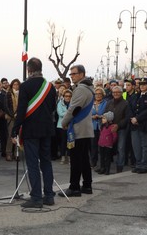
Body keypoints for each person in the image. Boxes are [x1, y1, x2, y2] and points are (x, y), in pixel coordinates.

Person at [11, 57, 56, 208]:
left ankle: (36, 197)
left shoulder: (25, 86)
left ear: (28, 70)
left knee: (32, 164)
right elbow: (52, 108)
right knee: (46, 162)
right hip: (47, 129)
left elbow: (22, 110)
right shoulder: (50, 86)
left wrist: (15, 129)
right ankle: (49, 196)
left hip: (31, 130)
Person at [58, 64, 94, 197]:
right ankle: (87, 185)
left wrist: (64, 122)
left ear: (82, 74)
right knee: (84, 158)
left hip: (79, 128)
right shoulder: (88, 87)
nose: (71, 76)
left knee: (76, 159)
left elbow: (73, 109)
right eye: (71, 74)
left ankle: (74, 187)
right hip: (85, 128)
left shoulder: (81, 89)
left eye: (74, 74)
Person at [128, 78, 147, 174]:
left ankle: (144, 165)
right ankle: (138, 164)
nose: (142, 86)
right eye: (140, 84)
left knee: (145, 146)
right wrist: (133, 118)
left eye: (144, 84)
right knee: (136, 146)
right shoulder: (135, 96)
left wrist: (138, 119)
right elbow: (130, 108)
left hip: (145, 125)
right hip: (134, 124)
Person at [104, 85, 128, 173]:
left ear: (121, 93)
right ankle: (107, 168)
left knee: (120, 148)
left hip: (121, 128)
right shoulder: (109, 102)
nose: (116, 94)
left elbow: (127, 117)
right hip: (110, 128)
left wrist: (118, 125)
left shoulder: (126, 103)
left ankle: (120, 166)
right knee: (108, 148)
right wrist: (108, 123)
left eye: (118, 92)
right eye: (114, 92)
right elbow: (105, 113)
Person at [90, 86, 107, 169]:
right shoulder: (90, 103)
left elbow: (108, 113)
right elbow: (86, 114)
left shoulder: (106, 103)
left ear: (103, 94)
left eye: (100, 94)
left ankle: (102, 164)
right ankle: (93, 162)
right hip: (92, 127)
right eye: (96, 94)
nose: (98, 95)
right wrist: (92, 117)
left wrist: (101, 116)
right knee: (93, 145)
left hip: (102, 127)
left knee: (102, 146)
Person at [5, 78, 21, 161]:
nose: (16, 86)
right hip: (11, 117)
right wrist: (12, 115)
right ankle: (8, 153)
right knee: (11, 135)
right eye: (14, 84)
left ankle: (16, 153)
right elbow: (6, 106)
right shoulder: (8, 94)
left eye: (17, 84)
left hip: (19, 117)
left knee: (18, 135)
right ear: (12, 85)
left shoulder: (22, 94)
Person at [56, 89, 72, 165]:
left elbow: (75, 113)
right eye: (66, 96)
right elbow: (60, 113)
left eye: (69, 96)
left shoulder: (73, 104)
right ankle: (63, 156)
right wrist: (69, 112)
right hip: (61, 125)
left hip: (71, 125)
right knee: (63, 142)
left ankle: (69, 156)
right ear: (63, 96)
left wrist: (68, 113)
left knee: (70, 141)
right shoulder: (60, 103)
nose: (67, 97)